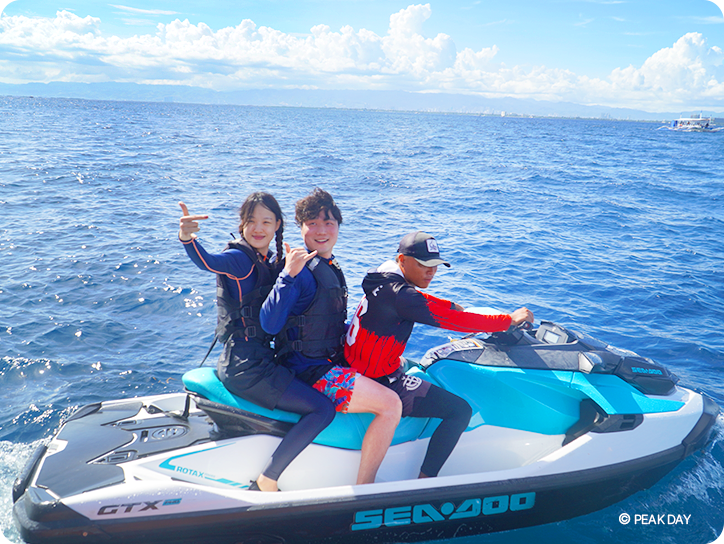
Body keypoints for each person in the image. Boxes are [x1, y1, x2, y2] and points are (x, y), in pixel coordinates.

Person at [345, 231, 534, 478]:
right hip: (378, 380)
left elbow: (416, 300)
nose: (431, 272)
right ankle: (424, 482)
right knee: (460, 411)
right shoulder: (402, 297)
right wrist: (508, 320)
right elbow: (453, 321)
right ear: (402, 260)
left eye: (435, 265)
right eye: (424, 265)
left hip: (357, 366)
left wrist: (446, 304)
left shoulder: (382, 279)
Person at [178, 193, 335, 492]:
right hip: (246, 369)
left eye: (266, 221)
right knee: (323, 410)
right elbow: (208, 262)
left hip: (257, 361)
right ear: (242, 225)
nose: (258, 228)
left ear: (278, 225)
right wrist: (187, 238)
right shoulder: (240, 260)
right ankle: (268, 479)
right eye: (251, 221)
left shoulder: (270, 261)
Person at [260, 188, 401, 485]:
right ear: (300, 228)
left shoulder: (329, 266)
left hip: (327, 362)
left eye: (329, 223)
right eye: (312, 223)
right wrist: (287, 276)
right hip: (308, 371)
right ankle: (365, 489)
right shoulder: (300, 272)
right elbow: (270, 324)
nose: (321, 231)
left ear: (338, 226)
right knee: (391, 405)